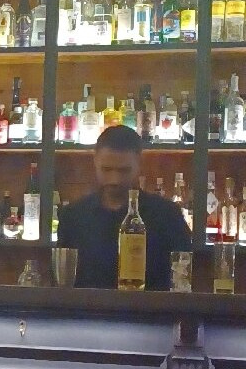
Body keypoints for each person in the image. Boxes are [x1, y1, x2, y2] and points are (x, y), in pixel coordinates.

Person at [59, 125, 191, 291]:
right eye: (107, 169)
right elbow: (63, 287)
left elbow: (182, 281)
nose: (114, 179)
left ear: (139, 164)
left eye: (124, 171)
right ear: (95, 161)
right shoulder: (73, 217)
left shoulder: (167, 215)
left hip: (150, 308)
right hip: (89, 308)